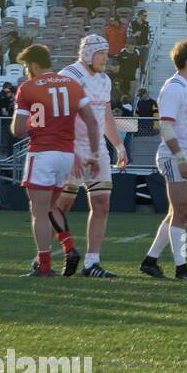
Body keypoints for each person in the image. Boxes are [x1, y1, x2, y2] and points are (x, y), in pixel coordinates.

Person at [12, 45, 101, 277]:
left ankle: (44, 266)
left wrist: (32, 122)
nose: (25, 70)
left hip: (42, 153)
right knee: (52, 206)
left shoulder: (27, 88)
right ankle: (69, 247)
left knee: (38, 211)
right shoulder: (72, 84)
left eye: (25, 66)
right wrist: (92, 153)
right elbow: (92, 122)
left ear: (33, 64)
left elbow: (18, 129)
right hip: (66, 154)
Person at [53, 35, 127, 278]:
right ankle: (44, 257)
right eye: (101, 54)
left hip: (98, 151)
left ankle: (91, 263)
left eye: (107, 54)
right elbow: (60, 116)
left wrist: (118, 145)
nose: (106, 58)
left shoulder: (104, 79)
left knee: (102, 204)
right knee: (60, 206)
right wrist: (68, 149)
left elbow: (105, 115)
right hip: (72, 149)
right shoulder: (69, 75)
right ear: (87, 54)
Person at [139, 39, 187, 281]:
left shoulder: (186, 87)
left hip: (186, 152)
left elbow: (186, 129)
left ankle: (150, 261)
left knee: (177, 212)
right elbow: (166, 128)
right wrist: (180, 157)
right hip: (173, 154)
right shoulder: (174, 87)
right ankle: (181, 268)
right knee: (181, 212)